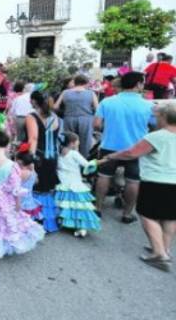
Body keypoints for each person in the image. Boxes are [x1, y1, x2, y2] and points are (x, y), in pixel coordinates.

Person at [104, 103, 176, 271]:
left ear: (164, 117)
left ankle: (159, 254)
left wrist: (112, 156)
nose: (156, 119)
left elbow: (131, 153)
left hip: (156, 181)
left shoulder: (158, 136)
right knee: (169, 217)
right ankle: (164, 248)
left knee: (147, 215)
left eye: (157, 117)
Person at [94, 72, 155, 223]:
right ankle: (127, 214)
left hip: (109, 145)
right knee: (133, 180)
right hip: (136, 148)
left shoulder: (107, 102)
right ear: (138, 84)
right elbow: (156, 126)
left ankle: (98, 208)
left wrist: (108, 130)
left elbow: (96, 124)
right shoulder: (148, 105)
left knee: (103, 176)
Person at [26, 91, 62, 233]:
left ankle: (33, 222)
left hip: (39, 157)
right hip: (52, 157)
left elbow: (33, 139)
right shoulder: (55, 117)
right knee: (46, 189)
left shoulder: (32, 117)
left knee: (34, 188)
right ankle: (48, 222)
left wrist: (31, 162)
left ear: (35, 101)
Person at [54, 132, 102, 238]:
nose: (79, 142)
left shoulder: (59, 153)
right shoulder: (74, 154)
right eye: (77, 141)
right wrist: (97, 162)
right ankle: (81, 227)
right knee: (79, 206)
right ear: (72, 144)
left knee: (67, 205)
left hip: (64, 183)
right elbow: (86, 164)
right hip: (75, 183)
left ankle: (66, 223)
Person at [53, 75, 99, 157]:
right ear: (86, 83)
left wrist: (65, 112)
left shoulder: (65, 92)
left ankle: (70, 160)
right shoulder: (91, 93)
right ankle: (83, 162)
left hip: (69, 118)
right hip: (86, 119)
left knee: (69, 141)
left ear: (75, 82)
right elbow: (97, 109)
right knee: (85, 142)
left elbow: (55, 107)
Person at [15, 149, 42, 220]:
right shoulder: (32, 172)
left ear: (20, 162)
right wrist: (33, 169)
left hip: (20, 202)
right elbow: (36, 181)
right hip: (29, 202)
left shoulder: (21, 173)